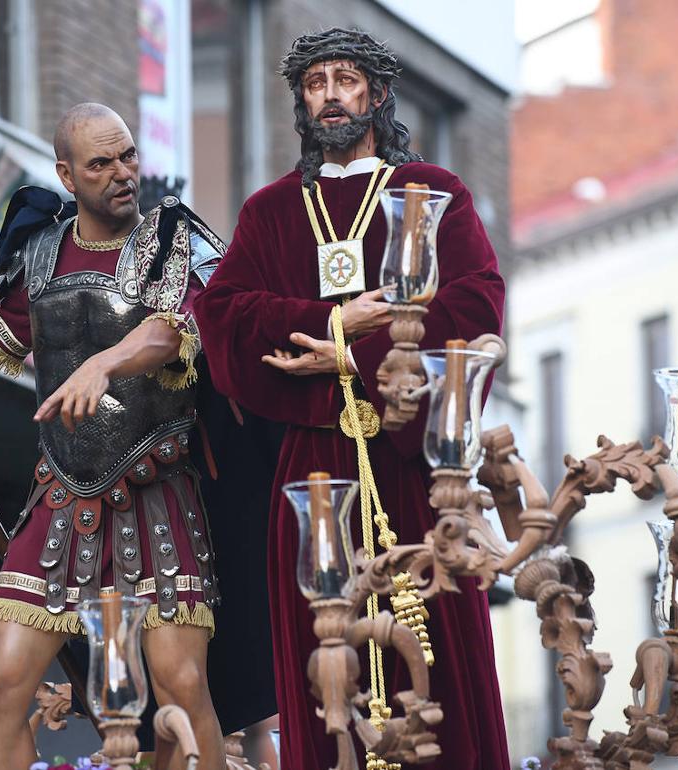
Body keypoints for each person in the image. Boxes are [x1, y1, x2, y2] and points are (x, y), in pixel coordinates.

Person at [0, 103, 228, 770]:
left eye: (127, 156)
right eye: (100, 164)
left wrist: (103, 362)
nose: (122, 173)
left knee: (182, 687)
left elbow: (171, 332)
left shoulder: (176, 245)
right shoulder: (42, 252)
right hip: (63, 500)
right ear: (66, 173)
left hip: (158, 498)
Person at [194, 28, 510, 769]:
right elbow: (226, 317)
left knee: (435, 644)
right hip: (314, 470)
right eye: (315, 83)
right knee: (321, 654)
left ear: (376, 92)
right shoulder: (271, 211)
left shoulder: (431, 193)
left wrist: (356, 359)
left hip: (409, 453)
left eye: (345, 79)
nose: (331, 93)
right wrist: (334, 322)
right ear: (301, 102)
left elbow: (475, 306)